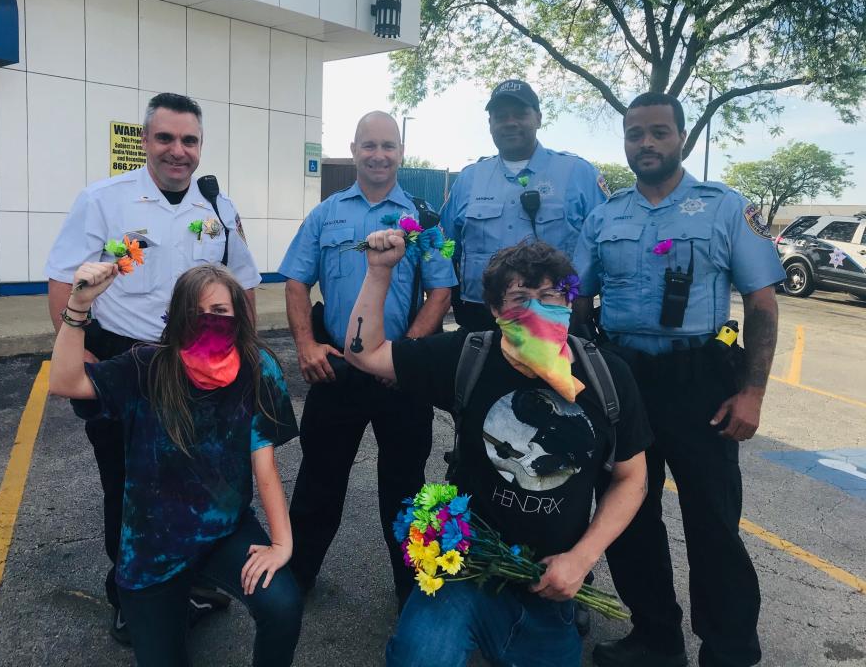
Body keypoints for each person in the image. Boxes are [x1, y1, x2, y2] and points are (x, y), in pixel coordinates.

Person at [342, 236, 650, 667]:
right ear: (494, 310)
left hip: (548, 581)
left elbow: (632, 477)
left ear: (571, 300)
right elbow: (366, 354)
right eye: (520, 298)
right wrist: (379, 272)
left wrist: (581, 559)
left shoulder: (606, 374)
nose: (537, 308)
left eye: (550, 296)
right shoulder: (469, 355)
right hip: (462, 568)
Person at [573, 92, 785, 667]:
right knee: (631, 516)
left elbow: (762, 303)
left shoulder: (724, 207)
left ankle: (729, 648)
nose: (646, 143)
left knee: (713, 522)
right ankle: (655, 638)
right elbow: (576, 296)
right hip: (623, 380)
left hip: (700, 382)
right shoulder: (605, 214)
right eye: (635, 133)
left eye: (659, 132)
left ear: (682, 139)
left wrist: (753, 391)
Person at [44, 92, 261, 641]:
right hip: (126, 359)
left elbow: (245, 286)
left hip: (197, 368)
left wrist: (245, 356)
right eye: (165, 137)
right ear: (145, 141)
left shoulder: (218, 209)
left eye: (189, 140)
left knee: (188, 482)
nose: (178, 151)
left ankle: (184, 581)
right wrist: (86, 358)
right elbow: (63, 280)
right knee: (125, 483)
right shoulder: (104, 200)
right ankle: (129, 595)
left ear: (200, 146)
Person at [48, 262, 302, 667]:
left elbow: (265, 466)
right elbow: (65, 382)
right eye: (197, 312)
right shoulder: (147, 366)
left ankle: (200, 599)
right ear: (178, 317)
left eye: (220, 312)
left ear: (238, 314)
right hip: (153, 550)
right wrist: (78, 305)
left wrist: (281, 544)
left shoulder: (258, 368)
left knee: (284, 605)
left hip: (224, 531)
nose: (209, 321)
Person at [278, 111, 456, 605]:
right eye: (369, 146)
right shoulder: (326, 213)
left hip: (399, 376)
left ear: (400, 153)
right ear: (354, 150)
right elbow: (295, 280)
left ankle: (415, 590)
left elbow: (441, 291)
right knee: (319, 481)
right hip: (336, 369)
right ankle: (296, 579)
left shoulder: (424, 219)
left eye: (389, 146)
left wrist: (408, 355)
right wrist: (305, 346)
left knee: (405, 487)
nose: (379, 155)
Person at [440, 79, 609, 332]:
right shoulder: (468, 179)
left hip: (555, 318)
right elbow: (445, 249)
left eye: (520, 114)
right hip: (481, 321)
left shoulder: (578, 173)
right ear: (490, 124)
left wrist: (583, 298)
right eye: (500, 116)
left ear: (539, 118)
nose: (510, 122)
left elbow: (605, 249)